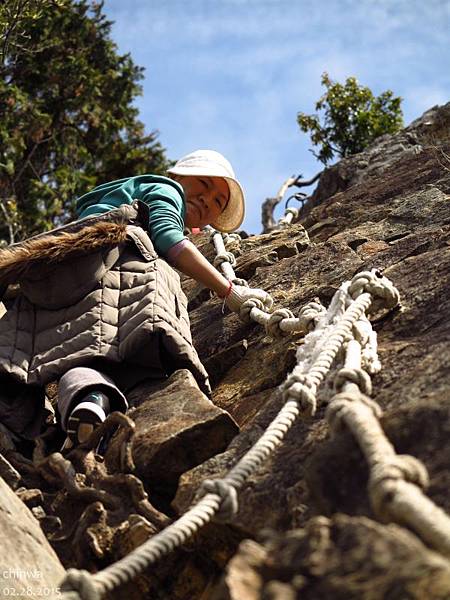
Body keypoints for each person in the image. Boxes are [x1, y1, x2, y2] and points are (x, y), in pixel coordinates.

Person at [0, 150, 272, 451]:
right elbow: (169, 238)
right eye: (204, 184)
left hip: (67, 286)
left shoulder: (107, 206)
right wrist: (229, 291)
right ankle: (105, 430)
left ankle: (88, 401)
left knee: (77, 360)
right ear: (178, 178)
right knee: (137, 364)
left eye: (218, 201)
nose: (208, 199)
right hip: (119, 278)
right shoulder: (166, 189)